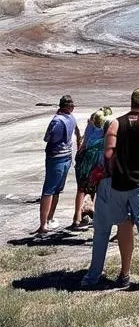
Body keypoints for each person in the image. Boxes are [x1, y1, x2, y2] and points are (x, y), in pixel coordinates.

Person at [80, 88, 139, 290]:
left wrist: (113, 174)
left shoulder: (116, 123)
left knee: (102, 230)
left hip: (116, 186)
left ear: (131, 101)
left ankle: (93, 276)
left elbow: (109, 153)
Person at [37, 94, 81, 237]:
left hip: (56, 156)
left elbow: (48, 138)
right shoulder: (71, 118)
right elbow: (77, 132)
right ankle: (49, 218)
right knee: (56, 190)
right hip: (67, 156)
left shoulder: (57, 120)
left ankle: (43, 224)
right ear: (69, 107)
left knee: (48, 190)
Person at [70, 107, 113, 230]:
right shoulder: (105, 133)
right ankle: (95, 216)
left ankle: (78, 218)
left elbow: (84, 144)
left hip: (84, 161)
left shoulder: (90, 127)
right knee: (97, 189)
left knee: (82, 189)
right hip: (96, 165)